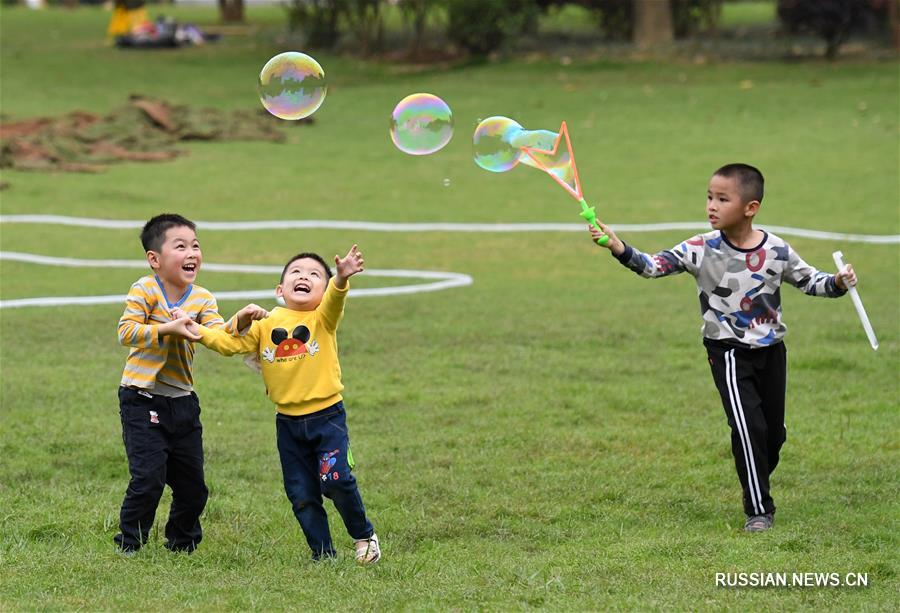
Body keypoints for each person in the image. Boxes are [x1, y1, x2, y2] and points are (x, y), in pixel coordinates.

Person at [588, 163, 858, 532]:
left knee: (771, 435)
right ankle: (759, 511)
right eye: (709, 197)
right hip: (727, 350)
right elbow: (652, 266)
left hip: (772, 350)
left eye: (722, 198)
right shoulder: (700, 248)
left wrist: (840, 282)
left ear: (751, 207)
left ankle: (754, 474)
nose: (711, 206)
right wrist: (618, 247)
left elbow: (813, 282)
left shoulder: (776, 249)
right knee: (747, 428)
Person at [184, 245, 382, 563]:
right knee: (301, 494)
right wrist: (197, 330)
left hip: (327, 417)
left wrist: (341, 279)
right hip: (287, 424)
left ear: (324, 289)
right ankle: (323, 555)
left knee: (336, 480)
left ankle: (363, 535)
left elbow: (334, 301)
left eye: (315, 275)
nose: (304, 276)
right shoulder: (265, 325)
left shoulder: (322, 318)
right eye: (296, 272)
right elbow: (228, 343)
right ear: (280, 288)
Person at [115, 213, 257, 553]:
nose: (192, 252)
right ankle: (130, 544)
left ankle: (182, 543)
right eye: (181, 246)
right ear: (155, 259)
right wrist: (167, 328)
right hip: (141, 398)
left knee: (194, 488)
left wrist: (242, 319)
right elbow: (126, 332)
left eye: (196, 245)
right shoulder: (145, 289)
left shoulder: (203, 298)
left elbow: (218, 335)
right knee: (148, 479)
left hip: (182, 402)